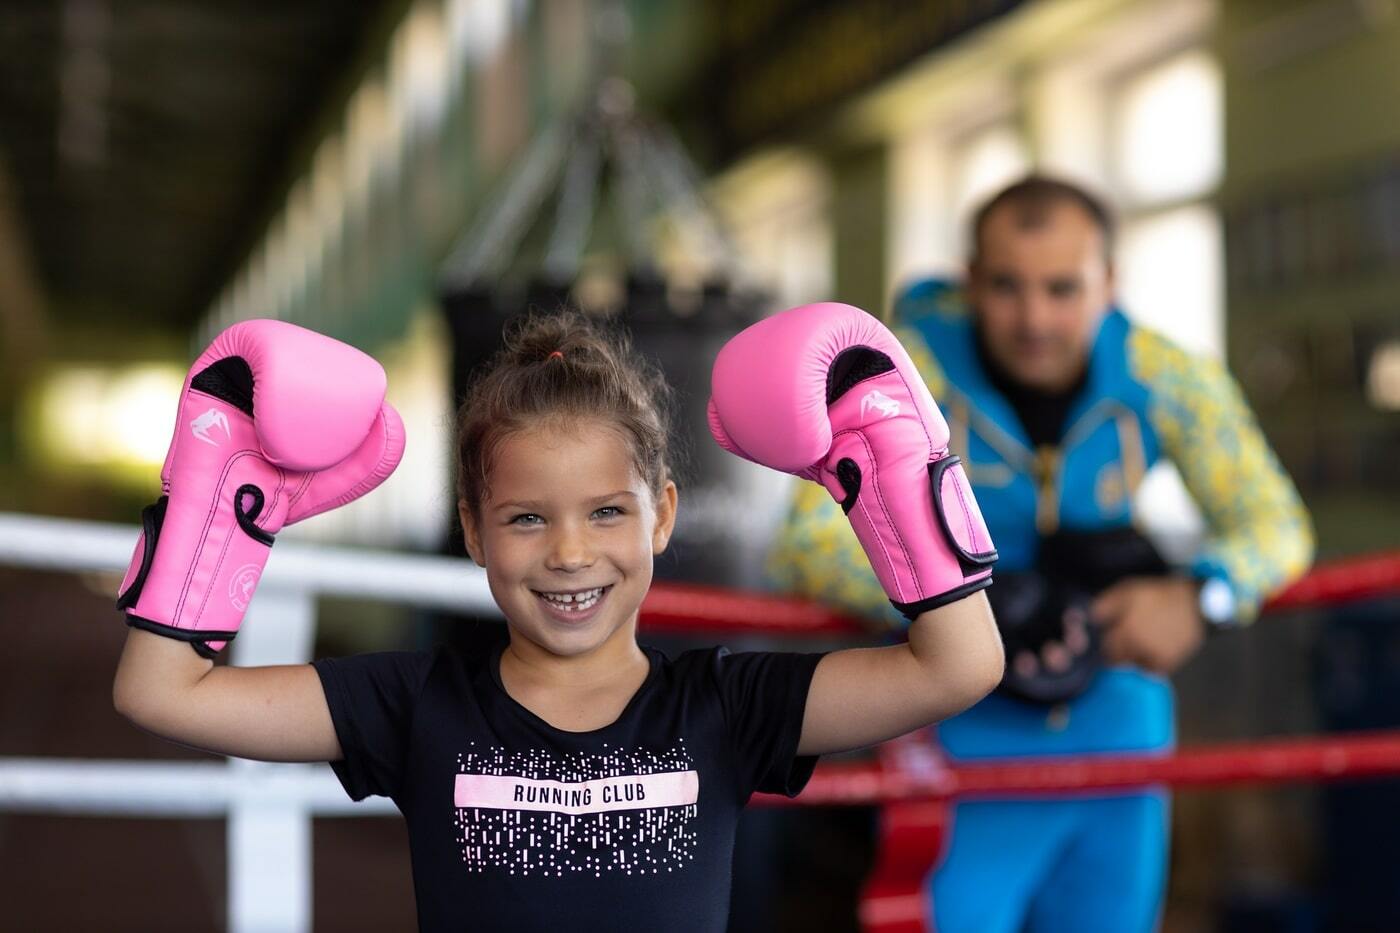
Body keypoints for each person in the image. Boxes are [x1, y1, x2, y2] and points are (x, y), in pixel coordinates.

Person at [111, 308, 1004, 931]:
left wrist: (896, 476)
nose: (571, 553)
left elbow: (956, 666)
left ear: (662, 515)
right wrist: (217, 517)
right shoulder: (416, 703)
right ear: (473, 530)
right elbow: (161, 692)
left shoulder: (725, 706)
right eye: (527, 518)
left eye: (608, 512)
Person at [769, 175, 1315, 933]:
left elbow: (1276, 524)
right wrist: (964, 597)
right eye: (1006, 286)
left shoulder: (1162, 372)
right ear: (970, 280)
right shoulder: (900, 375)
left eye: (1062, 288)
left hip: (1119, 715)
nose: (1034, 319)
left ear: (1109, 282)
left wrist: (1202, 597)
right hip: (957, 708)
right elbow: (806, 542)